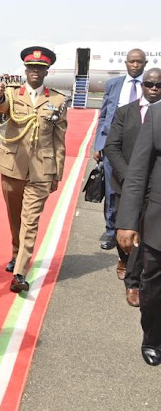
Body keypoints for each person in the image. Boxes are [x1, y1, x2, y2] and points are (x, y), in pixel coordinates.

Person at [0, 46, 67, 293]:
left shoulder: (57, 100)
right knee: (15, 219)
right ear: (26, 70)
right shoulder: (13, 94)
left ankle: (20, 272)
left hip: (41, 171)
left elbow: (59, 139)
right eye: (32, 68)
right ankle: (16, 252)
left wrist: (57, 173)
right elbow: (0, 109)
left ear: (47, 71)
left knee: (30, 222)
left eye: (40, 68)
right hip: (12, 166)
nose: (36, 72)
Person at [105, 69, 161, 307]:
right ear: (142, 86)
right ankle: (128, 271)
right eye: (149, 84)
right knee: (126, 229)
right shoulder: (124, 112)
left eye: (159, 85)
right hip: (128, 183)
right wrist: (130, 177)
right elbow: (112, 147)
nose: (154, 88)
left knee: (146, 238)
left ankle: (134, 281)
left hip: (154, 189)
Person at [116, 70, 161, 366]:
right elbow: (137, 172)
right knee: (155, 288)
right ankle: (153, 337)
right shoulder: (156, 116)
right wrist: (129, 220)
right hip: (159, 220)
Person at [95, 49, 147, 251]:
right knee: (111, 191)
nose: (135, 65)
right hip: (113, 147)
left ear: (144, 63)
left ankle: (138, 230)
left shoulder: (150, 85)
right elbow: (104, 115)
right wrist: (99, 145)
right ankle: (111, 232)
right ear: (126, 63)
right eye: (132, 61)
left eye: (139, 62)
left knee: (140, 190)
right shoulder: (113, 85)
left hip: (140, 146)